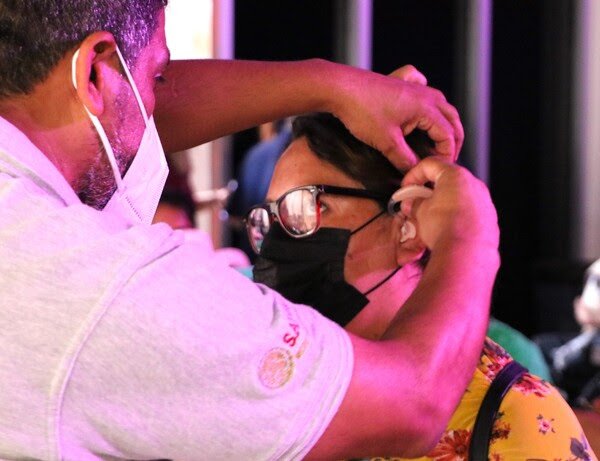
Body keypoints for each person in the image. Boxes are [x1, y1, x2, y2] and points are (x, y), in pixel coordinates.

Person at [0, 2, 493, 460]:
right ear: (93, 71)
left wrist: (332, 86)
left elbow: (117, 105)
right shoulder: (88, 286)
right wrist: (470, 236)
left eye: (310, 207)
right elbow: (413, 403)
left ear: (408, 223)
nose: (155, 109)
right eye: (157, 77)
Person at [249, 112, 598, 460]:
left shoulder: (514, 421)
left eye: (308, 207)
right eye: (272, 217)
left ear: (409, 221)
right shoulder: (277, 390)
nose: (277, 241)